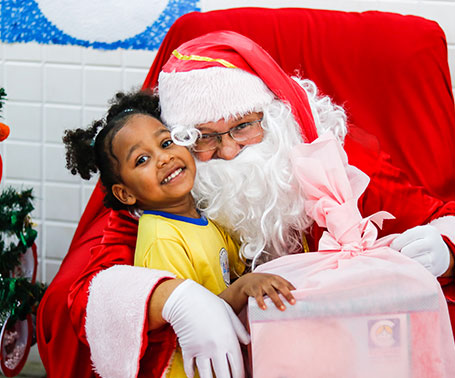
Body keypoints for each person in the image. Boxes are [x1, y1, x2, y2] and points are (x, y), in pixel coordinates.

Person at [48, 30, 455, 378]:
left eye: (243, 126)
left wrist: (444, 246)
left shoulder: (334, 164)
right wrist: (173, 299)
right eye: (204, 137)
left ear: (274, 118)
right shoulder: (169, 196)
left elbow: (440, 215)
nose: (227, 151)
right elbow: (83, 288)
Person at [62, 89, 296, 378]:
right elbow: (196, 316)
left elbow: (228, 271)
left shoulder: (204, 218)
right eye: (142, 160)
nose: (163, 158)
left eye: (166, 142)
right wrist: (244, 285)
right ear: (125, 193)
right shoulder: (161, 236)